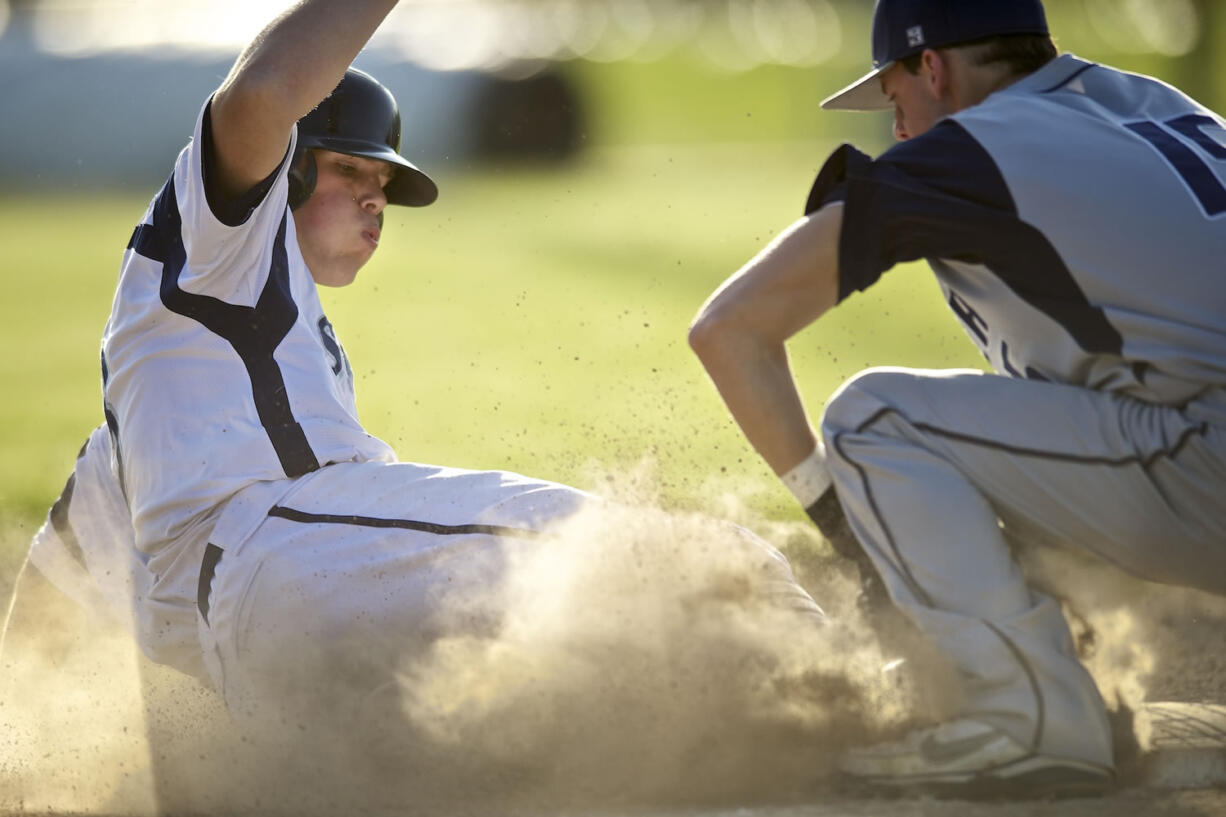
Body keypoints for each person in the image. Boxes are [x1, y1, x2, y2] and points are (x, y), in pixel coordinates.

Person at [3, 1, 825, 799]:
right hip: (277, 553)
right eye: (351, 170)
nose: (375, 200)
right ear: (282, 169)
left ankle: (728, 745)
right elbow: (257, 97)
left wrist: (25, 755)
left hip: (270, 628)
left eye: (384, 185)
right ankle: (854, 708)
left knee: (526, 715)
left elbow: (66, 570)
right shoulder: (216, 240)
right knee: (686, 562)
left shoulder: (198, 363)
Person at [689, 0, 1226, 800]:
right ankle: (1048, 670)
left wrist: (846, 529)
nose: (900, 127)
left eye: (896, 96)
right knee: (1028, 443)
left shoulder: (974, 149)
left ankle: (1030, 714)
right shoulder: (1169, 108)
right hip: (1194, 444)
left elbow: (730, 328)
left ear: (931, 67)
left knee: (877, 420)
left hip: (1207, 460)